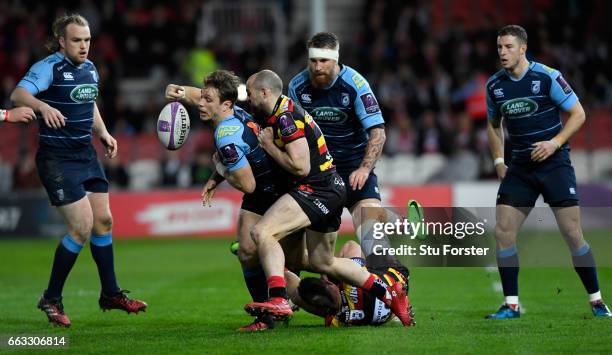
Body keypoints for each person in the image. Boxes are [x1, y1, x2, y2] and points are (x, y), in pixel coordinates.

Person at [243, 69, 413, 327]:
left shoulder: (286, 117)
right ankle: (390, 294)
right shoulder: (282, 110)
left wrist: (268, 147)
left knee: (262, 233)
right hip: (330, 188)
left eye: (251, 93)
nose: (248, 99)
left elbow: (300, 168)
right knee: (324, 261)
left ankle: (278, 299)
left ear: (265, 92)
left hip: (316, 189)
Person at [10, 14, 147, 328]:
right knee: (82, 226)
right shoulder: (49, 67)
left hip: (85, 153)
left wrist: (104, 132)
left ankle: (111, 293)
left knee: (104, 221)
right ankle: (51, 298)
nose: (84, 46)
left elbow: (89, 103)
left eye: (87, 40)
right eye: (76, 40)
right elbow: (19, 95)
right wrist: (42, 106)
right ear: (62, 41)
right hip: (56, 158)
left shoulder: (90, 68)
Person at [485, 25, 611, 319]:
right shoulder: (495, 86)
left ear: (523, 48)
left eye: (508, 47)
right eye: (499, 47)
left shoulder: (547, 77)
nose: (502, 52)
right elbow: (493, 125)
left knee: (572, 233)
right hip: (520, 168)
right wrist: (499, 161)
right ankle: (511, 305)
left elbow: (579, 113)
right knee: (503, 232)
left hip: (554, 165)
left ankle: (596, 301)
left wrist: (555, 143)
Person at [165, 70, 294, 331]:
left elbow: (247, 183)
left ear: (225, 104)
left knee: (305, 259)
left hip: (272, 192)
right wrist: (179, 90)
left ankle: (302, 301)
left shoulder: (226, 134)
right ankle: (267, 315)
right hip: (267, 189)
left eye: (208, 100)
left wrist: (220, 169)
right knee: (247, 251)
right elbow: (197, 96)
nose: (201, 103)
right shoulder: (235, 113)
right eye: (202, 97)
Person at [287, 32, 391, 257]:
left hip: (354, 167)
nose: (317, 67)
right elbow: (294, 134)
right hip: (319, 172)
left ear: (335, 59)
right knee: (312, 254)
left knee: (375, 238)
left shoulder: (356, 85)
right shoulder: (297, 86)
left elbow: (378, 132)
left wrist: (364, 169)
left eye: (323, 61)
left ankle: (391, 285)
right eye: (313, 61)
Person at [286, 239, 414, 327]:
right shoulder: (349, 283)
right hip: (395, 276)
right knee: (368, 238)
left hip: (383, 314)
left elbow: (297, 293)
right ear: (329, 284)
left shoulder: (336, 319)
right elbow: (351, 245)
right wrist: (326, 270)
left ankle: (284, 294)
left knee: (299, 294)